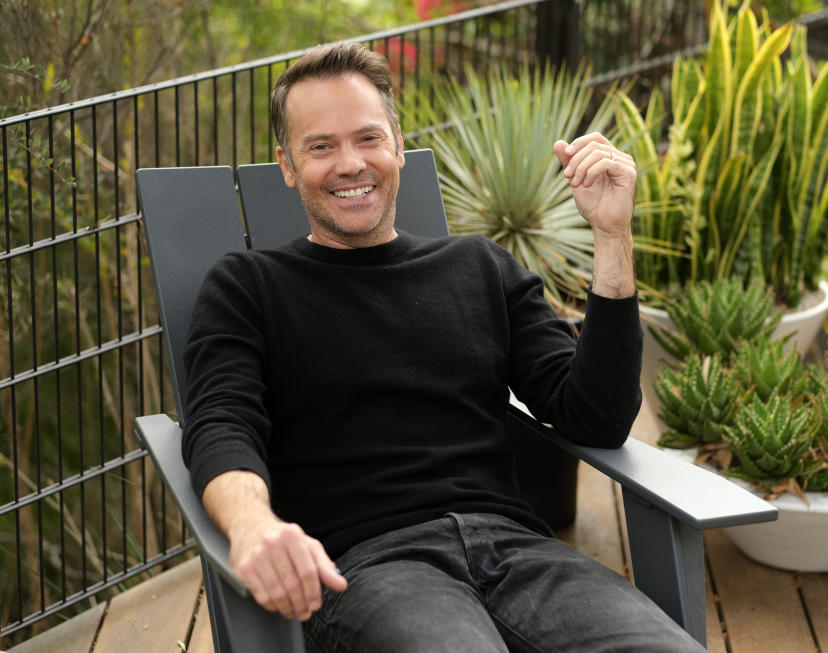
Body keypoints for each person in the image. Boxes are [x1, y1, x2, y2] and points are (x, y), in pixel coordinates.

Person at [182, 42, 705, 652]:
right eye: (321, 146)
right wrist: (252, 527)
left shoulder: (480, 267)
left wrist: (613, 236)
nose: (350, 163)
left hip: (520, 553)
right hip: (371, 569)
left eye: (368, 138)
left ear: (399, 145)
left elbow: (596, 417)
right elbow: (220, 423)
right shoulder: (249, 286)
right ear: (288, 165)